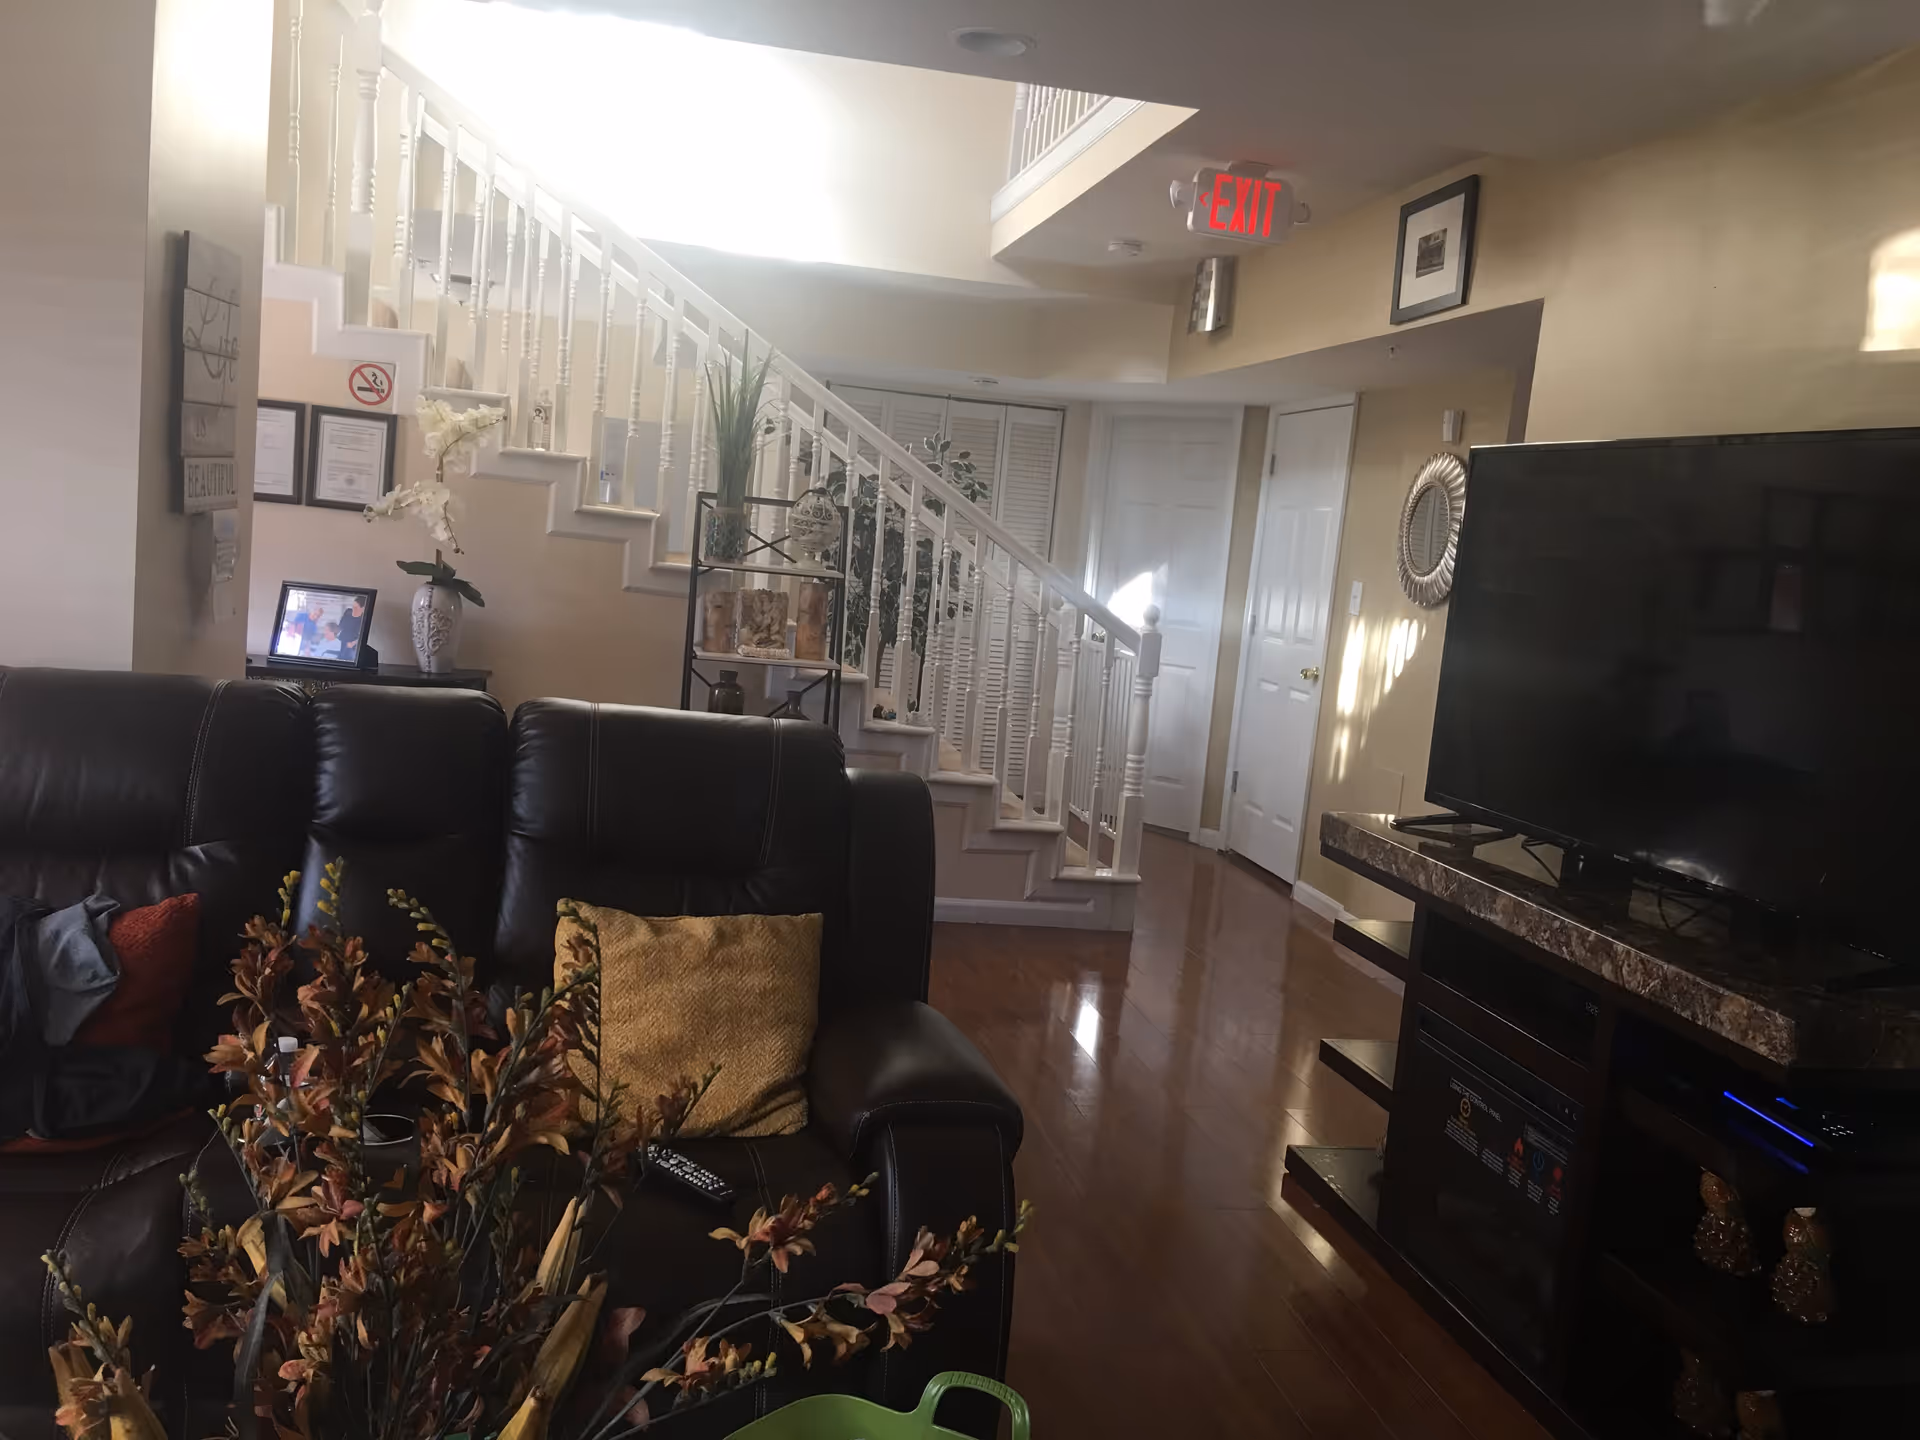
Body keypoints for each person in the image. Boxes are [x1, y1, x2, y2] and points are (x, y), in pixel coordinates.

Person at [336, 594, 368, 663]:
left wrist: (353, 643)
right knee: (340, 659)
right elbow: (341, 625)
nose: (353, 609)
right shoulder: (348, 612)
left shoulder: (363, 619)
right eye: (353, 606)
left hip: (353, 645)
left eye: (356, 607)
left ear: (363, 608)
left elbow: (363, 636)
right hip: (343, 639)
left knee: (348, 661)